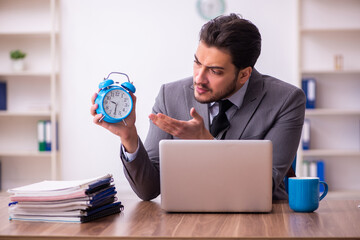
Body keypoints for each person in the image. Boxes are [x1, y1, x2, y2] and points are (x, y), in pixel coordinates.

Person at [90, 13, 306, 201]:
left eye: (214, 71)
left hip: (261, 220)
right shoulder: (170, 96)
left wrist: (206, 143)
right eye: (197, 63)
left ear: (244, 74)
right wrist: (129, 136)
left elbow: (264, 185)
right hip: (187, 220)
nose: (198, 79)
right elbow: (149, 189)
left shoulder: (286, 101)